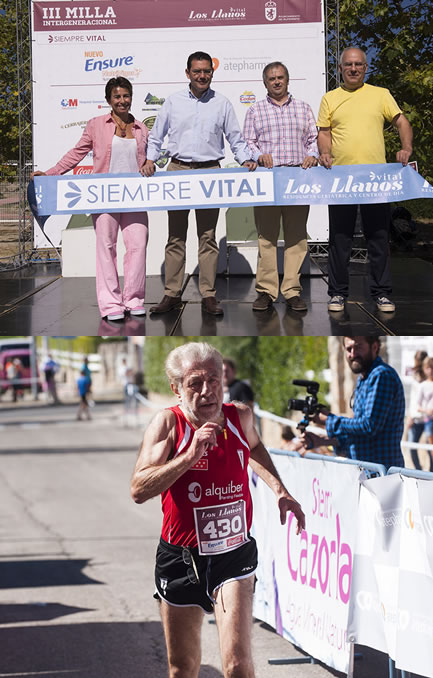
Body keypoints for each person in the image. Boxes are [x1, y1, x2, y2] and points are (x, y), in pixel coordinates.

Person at [131, 342, 305, 678]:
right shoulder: (168, 425)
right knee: (182, 668)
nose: (207, 391)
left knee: (238, 665)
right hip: (181, 558)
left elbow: (254, 446)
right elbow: (139, 489)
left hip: (233, 553)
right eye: (195, 383)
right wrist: (190, 455)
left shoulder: (240, 416)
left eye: (214, 379)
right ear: (176, 389)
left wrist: (280, 490)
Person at [140, 51, 257, 317]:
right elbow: (156, 138)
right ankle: (172, 294)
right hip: (178, 170)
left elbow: (235, 139)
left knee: (208, 237)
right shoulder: (173, 102)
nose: (202, 76)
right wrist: (149, 160)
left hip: (209, 173)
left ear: (212, 73)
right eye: (197, 71)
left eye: (206, 71)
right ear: (188, 73)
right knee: (175, 236)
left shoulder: (223, 103)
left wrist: (245, 160)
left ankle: (208, 295)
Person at [32, 77, 149, 322]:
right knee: (106, 248)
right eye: (117, 97)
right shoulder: (96, 125)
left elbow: (150, 157)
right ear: (109, 100)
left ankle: (134, 299)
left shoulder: (141, 128)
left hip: (135, 196)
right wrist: (51, 173)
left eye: (126, 96)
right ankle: (111, 304)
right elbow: (76, 153)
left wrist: (151, 162)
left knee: (138, 246)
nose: (122, 101)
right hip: (104, 195)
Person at [317, 47, 413, 314]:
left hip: (375, 181)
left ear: (366, 67)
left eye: (358, 64)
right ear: (339, 69)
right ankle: (337, 294)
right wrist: (324, 152)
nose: (353, 69)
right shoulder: (329, 98)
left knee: (379, 239)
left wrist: (406, 148)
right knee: (340, 240)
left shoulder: (380, 94)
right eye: (348, 65)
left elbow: (403, 122)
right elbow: (324, 133)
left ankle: (382, 294)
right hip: (342, 181)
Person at [243, 61, 318, 312]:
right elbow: (248, 142)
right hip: (268, 179)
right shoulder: (255, 111)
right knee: (267, 237)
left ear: (288, 80)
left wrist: (313, 155)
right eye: (272, 78)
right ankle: (266, 291)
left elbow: (314, 140)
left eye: (281, 77)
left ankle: (292, 290)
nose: (276, 81)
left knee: (297, 237)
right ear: (265, 83)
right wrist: (258, 154)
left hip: (298, 177)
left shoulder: (304, 108)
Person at [298, 336, 405, 469]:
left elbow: (369, 426)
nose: (353, 354)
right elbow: (360, 436)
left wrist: (329, 420)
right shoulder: (364, 378)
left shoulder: (381, 375)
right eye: (348, 349)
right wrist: (322, 441)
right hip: (367, 471)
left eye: (358, 347)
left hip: (382, 475)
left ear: (375, 347)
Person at [405, 350, 433, 471]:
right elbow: (413, 399)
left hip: (428, 418)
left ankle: (432, 473)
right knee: (412, 447)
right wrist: (410, 416)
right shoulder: (415, 377)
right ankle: (419, 471)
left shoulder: (431, 377)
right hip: (416, 418)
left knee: (431, 449)